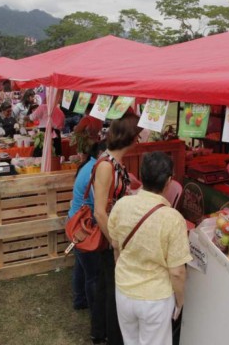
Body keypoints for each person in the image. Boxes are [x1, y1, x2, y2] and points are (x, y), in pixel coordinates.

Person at [108, 152, 192, 345]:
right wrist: (180, 300)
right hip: (155, 299)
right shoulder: (172, 219)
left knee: (130, 341)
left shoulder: (122, 205)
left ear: (141, 175)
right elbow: (177, 272)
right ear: (169, 181)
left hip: (124, 290)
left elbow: (115, 246)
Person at [91, 112, 141, 345]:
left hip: (114, 233)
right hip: (108, 236)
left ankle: (102, 333)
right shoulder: (106, 165)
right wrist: (115, 243)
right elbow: (99, 211)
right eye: (138, 135)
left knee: (108, 287)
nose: (140, 140)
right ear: (130, 137)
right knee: (113, 291)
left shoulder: (116, 162)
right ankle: (113, 337)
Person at [68, 141, 106, 313]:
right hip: (84, 227)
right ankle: (94, 309)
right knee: (93, 273)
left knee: (81, 265)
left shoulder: (90, 165)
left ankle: (80, 299)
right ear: (100, 153)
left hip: (75, 223)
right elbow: (99, 205)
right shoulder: (95, 170)